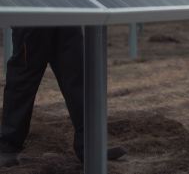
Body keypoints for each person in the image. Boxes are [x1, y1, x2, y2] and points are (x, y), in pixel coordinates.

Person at [0, 27, 126, 167]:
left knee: (79, 75)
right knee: (23, 80)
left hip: (67, 16)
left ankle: (90, 147)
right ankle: (8, 146)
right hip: (33, 18)